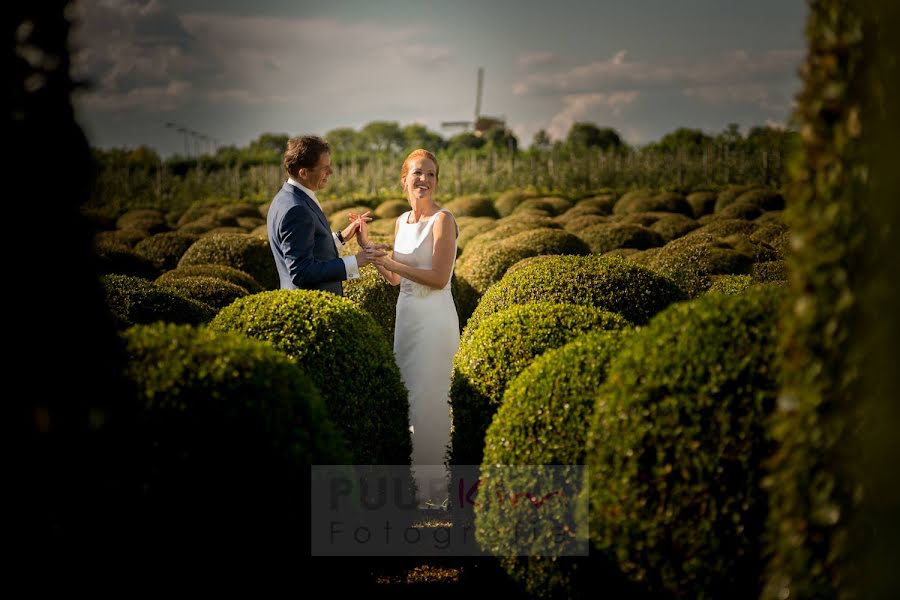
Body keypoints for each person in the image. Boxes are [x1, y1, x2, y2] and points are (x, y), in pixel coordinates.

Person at [357, 149, 460, 509]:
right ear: (404, 180)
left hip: (434, 320)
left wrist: (391, 261)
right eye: (418, 173)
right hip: (408, 319)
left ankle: (438, 491)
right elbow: (394, 279)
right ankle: (415, 485)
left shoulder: (444, 220)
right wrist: (369, 249)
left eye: (431, 174)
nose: (424, 180)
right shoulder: (401, 222)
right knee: (409, 397)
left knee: (432, 398)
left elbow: (438, 277)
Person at [267, 135, 384, 295]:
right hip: (310, 308)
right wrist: (356, 261)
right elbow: (301, 272)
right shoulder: (296, 209)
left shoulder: (286, 197)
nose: (331, 172)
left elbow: (311, 248)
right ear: (303, 173)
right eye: (325, 168)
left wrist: (342, 237)